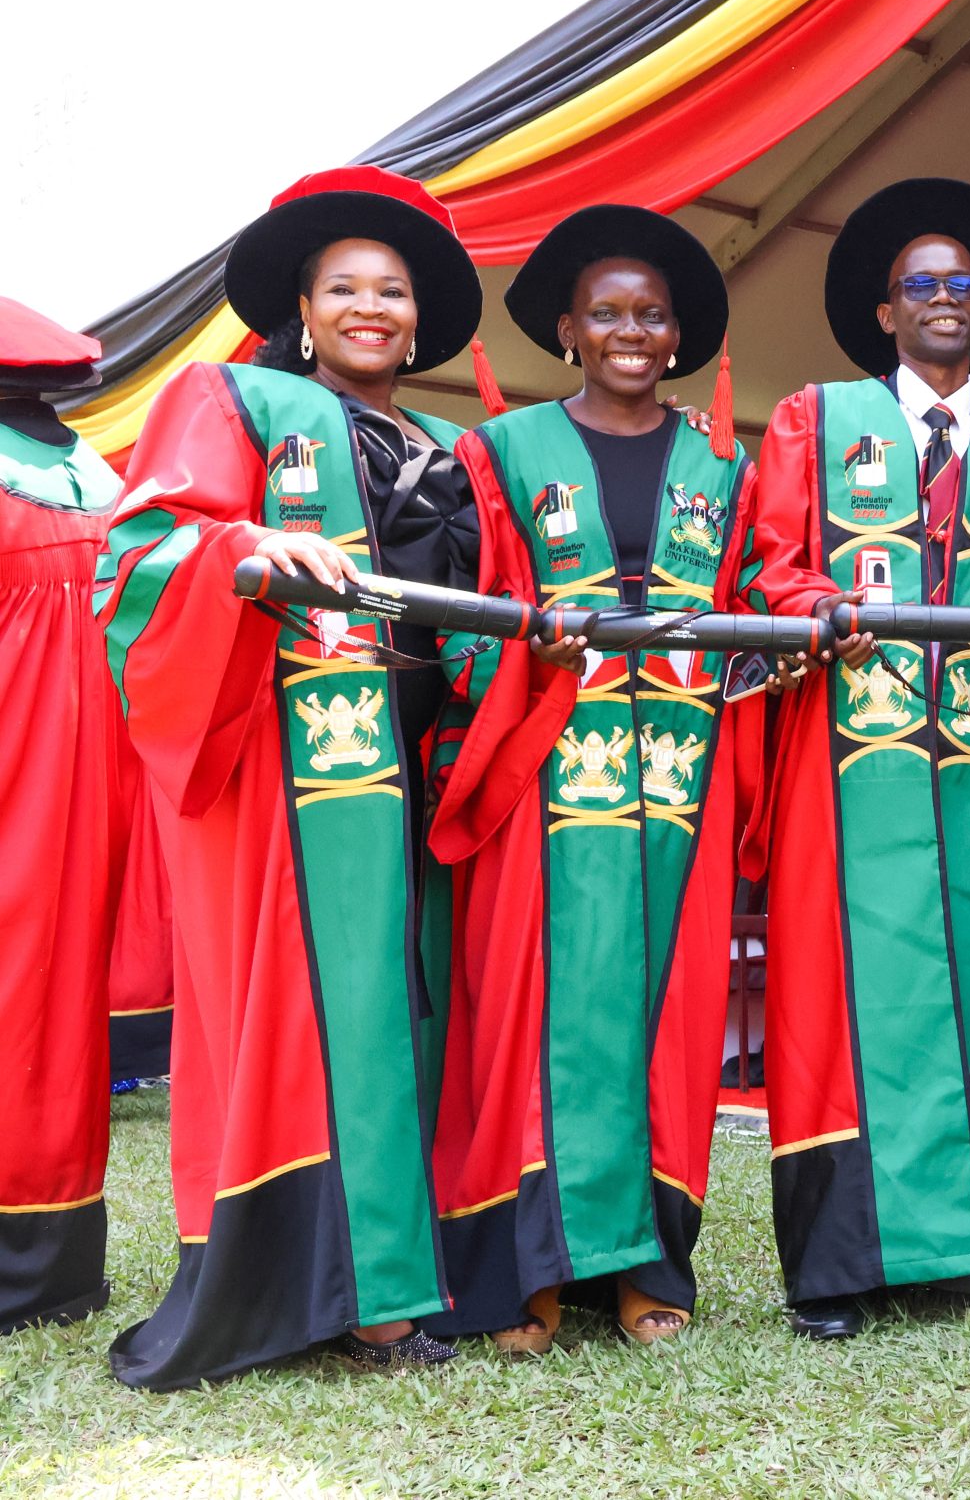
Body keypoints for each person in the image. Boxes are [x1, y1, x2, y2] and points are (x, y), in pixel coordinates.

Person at [97, 167, 493, 1385]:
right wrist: (243, 542)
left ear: (419, 319)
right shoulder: (234, 398)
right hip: (289, 769)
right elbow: (142, 549)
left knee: (402, 1015)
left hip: (414, 773)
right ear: (305, 311)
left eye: (395, 291)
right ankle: (349, 1298)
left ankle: (388, 1274)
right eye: (346, 290)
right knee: (320, 1011)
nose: (373, 308)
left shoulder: (445, 445)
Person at [747, 178, 970, 1338]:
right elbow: (769, 565)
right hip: (847, 769)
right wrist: (821, 607)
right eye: (922, 286)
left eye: (962, 286)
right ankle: (840, 1270)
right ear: (886, 312)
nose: (944, 301)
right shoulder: (815, 421)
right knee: (838, 998)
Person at [425, 204, 757, 1353]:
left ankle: (644, 1267)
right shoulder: (499, 453)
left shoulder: (728, 464)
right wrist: (524, 654)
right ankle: (526, 1277)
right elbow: (453, 619)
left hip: (679, 768)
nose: (630, 328)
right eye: (607, 312)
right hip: (542, 762)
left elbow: (761, 608)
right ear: (567, 328)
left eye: (651, 314)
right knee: (534, 1007)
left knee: (664, 1009)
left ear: (677, 336)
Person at [0, 297, 123, 1334]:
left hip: (34, 776)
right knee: (52, 1007)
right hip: (85, 794)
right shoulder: (103, 480)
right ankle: (50, 1268)